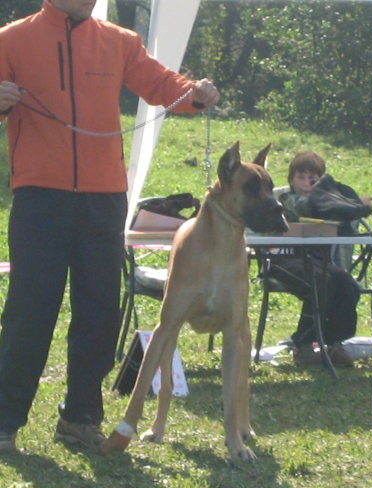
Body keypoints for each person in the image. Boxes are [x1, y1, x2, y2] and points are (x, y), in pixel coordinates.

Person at [0, 0, 219, 453]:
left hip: (104, 199)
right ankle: (5, 421)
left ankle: (81, 418)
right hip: (39, 196)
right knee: (29, 312)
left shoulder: (120, 41)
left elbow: (162, 85)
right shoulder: (11, 39)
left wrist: (196, 92)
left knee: (99, 311)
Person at [267, 150, 372, 367]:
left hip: (320, 262)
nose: (307, 184)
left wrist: (353, 207)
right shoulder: (283, 202)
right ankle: (305, 346)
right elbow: (294, 212)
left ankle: (334, 343)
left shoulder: (329, 205)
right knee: (320, 282)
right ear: (291, 180)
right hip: (283, 261)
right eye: (301, 178)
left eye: (313, 179)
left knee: (346, 283)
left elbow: (346, 228)